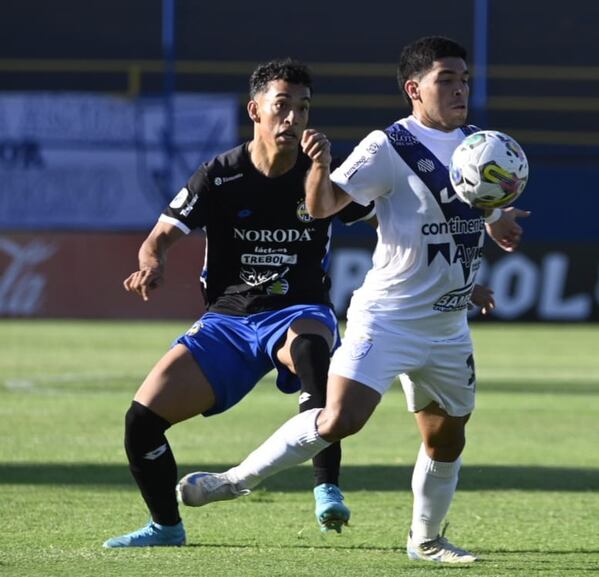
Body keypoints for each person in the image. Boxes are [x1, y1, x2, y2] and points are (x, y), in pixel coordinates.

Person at [175, 36, 528, 563]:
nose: (460, 89)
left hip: (448, 326)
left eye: (464, 79)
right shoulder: (387, 146)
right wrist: (320, 165)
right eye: (446, 79)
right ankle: (236, 480)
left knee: (446, 440)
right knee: (339, 418)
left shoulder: (479, 145)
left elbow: (463, 212)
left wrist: (497, 222)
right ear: (414, 89)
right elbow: (321, 208)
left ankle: (425, 541)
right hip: (386, 319)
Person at [103, 58, 377, 548]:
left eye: (304, 108)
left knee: (313, 352)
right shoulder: (220, 175)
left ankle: (326, 488)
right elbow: (160, 236)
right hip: (228, 320)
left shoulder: (326, 175)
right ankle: (167, 527)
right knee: (141, 423)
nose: (293, 118)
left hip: (298, 309)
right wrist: (153, 263)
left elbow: (392, 210)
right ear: (256, 110)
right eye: (283, 106)